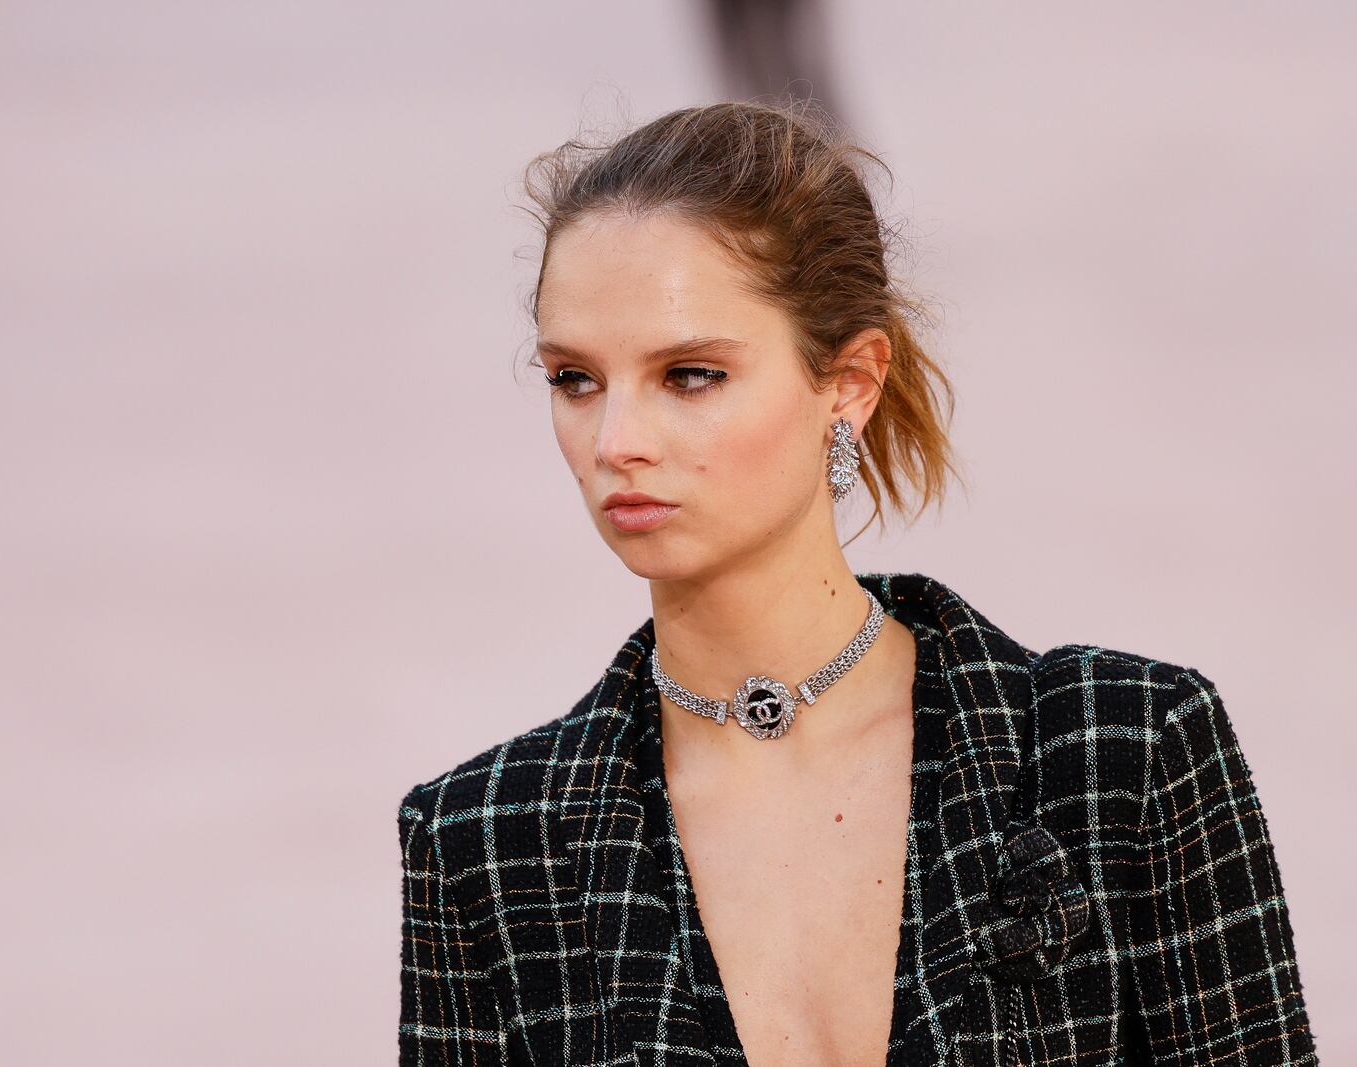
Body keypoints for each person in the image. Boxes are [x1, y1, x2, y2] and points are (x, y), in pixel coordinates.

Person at [396, 101, 1318, 1066]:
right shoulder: (485, 841)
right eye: (575, 378)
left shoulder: (1120, 746)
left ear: (850, 382)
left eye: (692, 374)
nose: (616, 441)